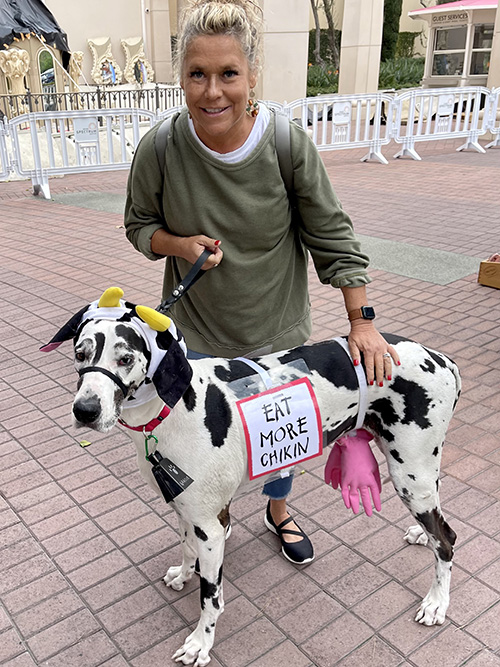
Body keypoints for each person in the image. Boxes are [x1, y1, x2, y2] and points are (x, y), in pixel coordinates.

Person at [124, 0, 399, 565]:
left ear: (252, 75)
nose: (212, 92)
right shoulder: (160, 147)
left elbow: (332, 233)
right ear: (181, 76)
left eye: (228, 74)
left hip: (277, 331)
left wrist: (361, 323)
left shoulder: (285, 144)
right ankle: (208, 520)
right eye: (197, 74)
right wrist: (180, 245)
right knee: (195, 445)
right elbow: (138, 226)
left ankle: (278, 511)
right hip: (195, 337)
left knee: (278, 443)